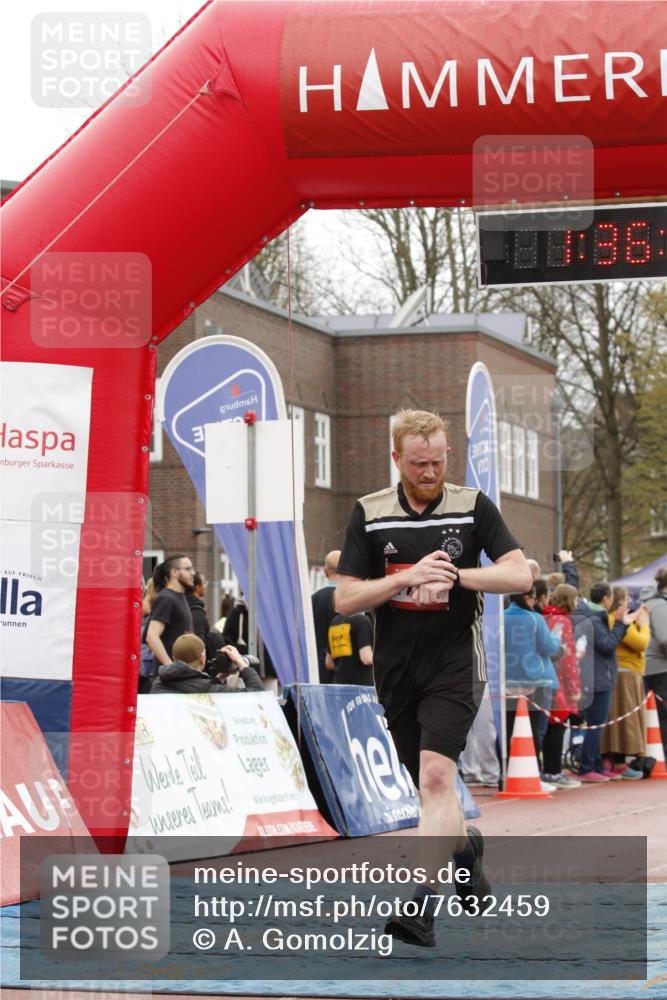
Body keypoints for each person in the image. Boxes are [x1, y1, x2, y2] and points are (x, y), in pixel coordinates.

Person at [335, 409, 532, 947]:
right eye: (419, 464)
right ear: (396, 459)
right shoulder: (370, 513)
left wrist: (454, 576)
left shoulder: (472, 506)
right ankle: (466, 849)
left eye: (439, 462)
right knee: (429, 791)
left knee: (438, 778)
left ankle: (421, 905)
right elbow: (345, 597)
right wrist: (404, 580)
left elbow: (519, 573)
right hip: (397, 670)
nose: (429, 473)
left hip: (455, 662)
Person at [576, 581, 634, 782]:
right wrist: (620, 624)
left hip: (597, 676)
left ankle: (597, 765)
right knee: (595, 725)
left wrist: (621, 626)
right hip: (596, 678)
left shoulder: (594, 617)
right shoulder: (594, 619)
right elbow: (607, 645)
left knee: (598, 724)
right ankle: (587, 767)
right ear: (606, 599)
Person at [504, 587, 561, 792]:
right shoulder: (535, 619)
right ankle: (534, 774)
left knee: (509, 729)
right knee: (534, 730)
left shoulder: (501, 618)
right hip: (535, 681)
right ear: (527, 598)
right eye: (534, 598)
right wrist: (557, 638)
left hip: (508, 681)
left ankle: (508, 772)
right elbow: (549, 647)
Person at [600, 587, 648, 779]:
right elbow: (641, 643)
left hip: (624, 672)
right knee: (623, 720)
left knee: (616, 719)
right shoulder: (616, 620)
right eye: (626, 601)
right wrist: (644, 625)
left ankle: (609, 759)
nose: (629, 604)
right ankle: (619, 763)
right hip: (624, 674)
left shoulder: (612, 619)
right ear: (619, 602)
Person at [542, 584, 583, 788]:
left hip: (548, 677)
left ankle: (548, 770)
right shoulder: (563, 621)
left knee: (548, 726)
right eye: (575, 598)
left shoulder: (546, 617)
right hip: (559, 682)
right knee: (557, 727)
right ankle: (554, 771)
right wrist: (574, 687)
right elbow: (567, 658)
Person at [151, 633, 263, 694]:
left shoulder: (159, 683)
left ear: (173, 658)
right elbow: (257, 694)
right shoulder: (207, 689)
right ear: (202, 658)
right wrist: (241, 663)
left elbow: (188, 684)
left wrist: (218, 679)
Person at [146, 555, 195, 672]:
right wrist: (171, 667)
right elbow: (151, 636)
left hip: (182, 674)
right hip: (170, 678)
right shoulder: (166, 598)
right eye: (188, 569)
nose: (193, 573)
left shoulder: (179, 597)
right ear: (174, 572)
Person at [645, 566, 667, 758]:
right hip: (659, 668)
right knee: (662, 716)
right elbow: (664, 639)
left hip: (655, 667)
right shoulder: (659, 606)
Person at [311, 550, 342, 684]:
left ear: (325, 571)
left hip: (317, 667)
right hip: (343, 668)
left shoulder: (313, 599)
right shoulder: (352, 601)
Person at [325, 611, 374, 685]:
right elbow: (366, 659)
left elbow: (329, 663)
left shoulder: (335, 622)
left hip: (339, 686)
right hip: (362, 687)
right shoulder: (362, 621)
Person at [186, 572, 223, 659]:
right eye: (204, 583)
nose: (205, 586)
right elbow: (199, 644)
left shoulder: (187, 606)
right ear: (197, 588)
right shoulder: (196, 612)